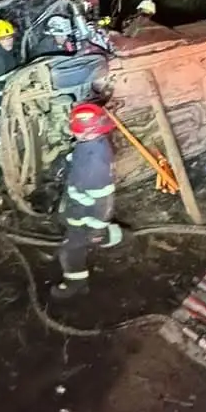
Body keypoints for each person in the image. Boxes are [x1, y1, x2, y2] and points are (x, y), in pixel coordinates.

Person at [51, 102, 123, 300]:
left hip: (85, 216)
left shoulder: (96, 166)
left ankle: (76, 283)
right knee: (73, 237)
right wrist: (68, 161)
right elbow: (79, 158)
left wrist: (97, 229)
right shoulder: (93, 144)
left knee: (70, 250)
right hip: (77, 208)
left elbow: (104, 202)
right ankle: (114, 237)